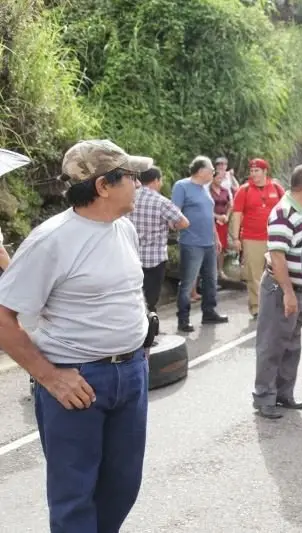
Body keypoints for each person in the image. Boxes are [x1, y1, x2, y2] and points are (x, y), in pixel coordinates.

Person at [0, 140, 154, 533]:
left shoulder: (124, 229)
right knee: (75, 497)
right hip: (78, 380)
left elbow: (125, 295)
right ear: (103, 186)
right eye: (131, 177)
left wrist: (139, 349)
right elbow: (3, 318)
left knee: (122, 486)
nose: (138, 184)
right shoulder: (50, 240)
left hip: (131, 374)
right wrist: (50, 377)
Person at [252, 164, 302, 419]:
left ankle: (284, 393)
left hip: (298, 289)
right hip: (282, 288)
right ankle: (264, 397)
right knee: (272, 344)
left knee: (291, 344)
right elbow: (277, 256)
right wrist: (288, 293)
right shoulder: (284, 212)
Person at [172, 156, 228, 333]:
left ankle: (209, 312)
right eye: (212, 169)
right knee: (188, 282)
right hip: (191, 242)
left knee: (211, 279)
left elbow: (209, 214)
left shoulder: (205, 189)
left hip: (208, 242)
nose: (214, 173)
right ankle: (183, 318)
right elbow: (175, 212)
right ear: (201, 170)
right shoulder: (182, 186)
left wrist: (216, 238)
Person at [129, 166, 190, 313]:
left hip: (131, 255)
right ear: (156, 180)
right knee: (150, 298)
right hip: (154, 258)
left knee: (133, 296)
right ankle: (149, 328)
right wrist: (171, 225)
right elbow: (184, 222)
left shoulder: (129, 197)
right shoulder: (161, 201)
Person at [230, 158, 285, 318]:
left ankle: (275, 304)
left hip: (274, 238)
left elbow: (285, 209)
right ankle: (256, 308)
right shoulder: (244, 190)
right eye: (252, 171)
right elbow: (237, 214)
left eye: (257, 171)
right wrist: (235, 238)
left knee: (277, 272)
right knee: (254, 275)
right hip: (252, 238)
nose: (253, 174)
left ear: (265, 171)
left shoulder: (276, 187)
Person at [210, 169, 233, 280]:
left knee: (222, 246)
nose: (219, 180)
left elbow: (229, 205)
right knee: (213, 245)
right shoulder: (208, 190)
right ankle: (212, 270)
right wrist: (216, 216)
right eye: (218, 178)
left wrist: (227, 216)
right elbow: (205, 208)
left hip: (223, 221)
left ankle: (220, 270)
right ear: (213, 178)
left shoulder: (224, 190)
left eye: (221, 178)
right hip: (211, 220)